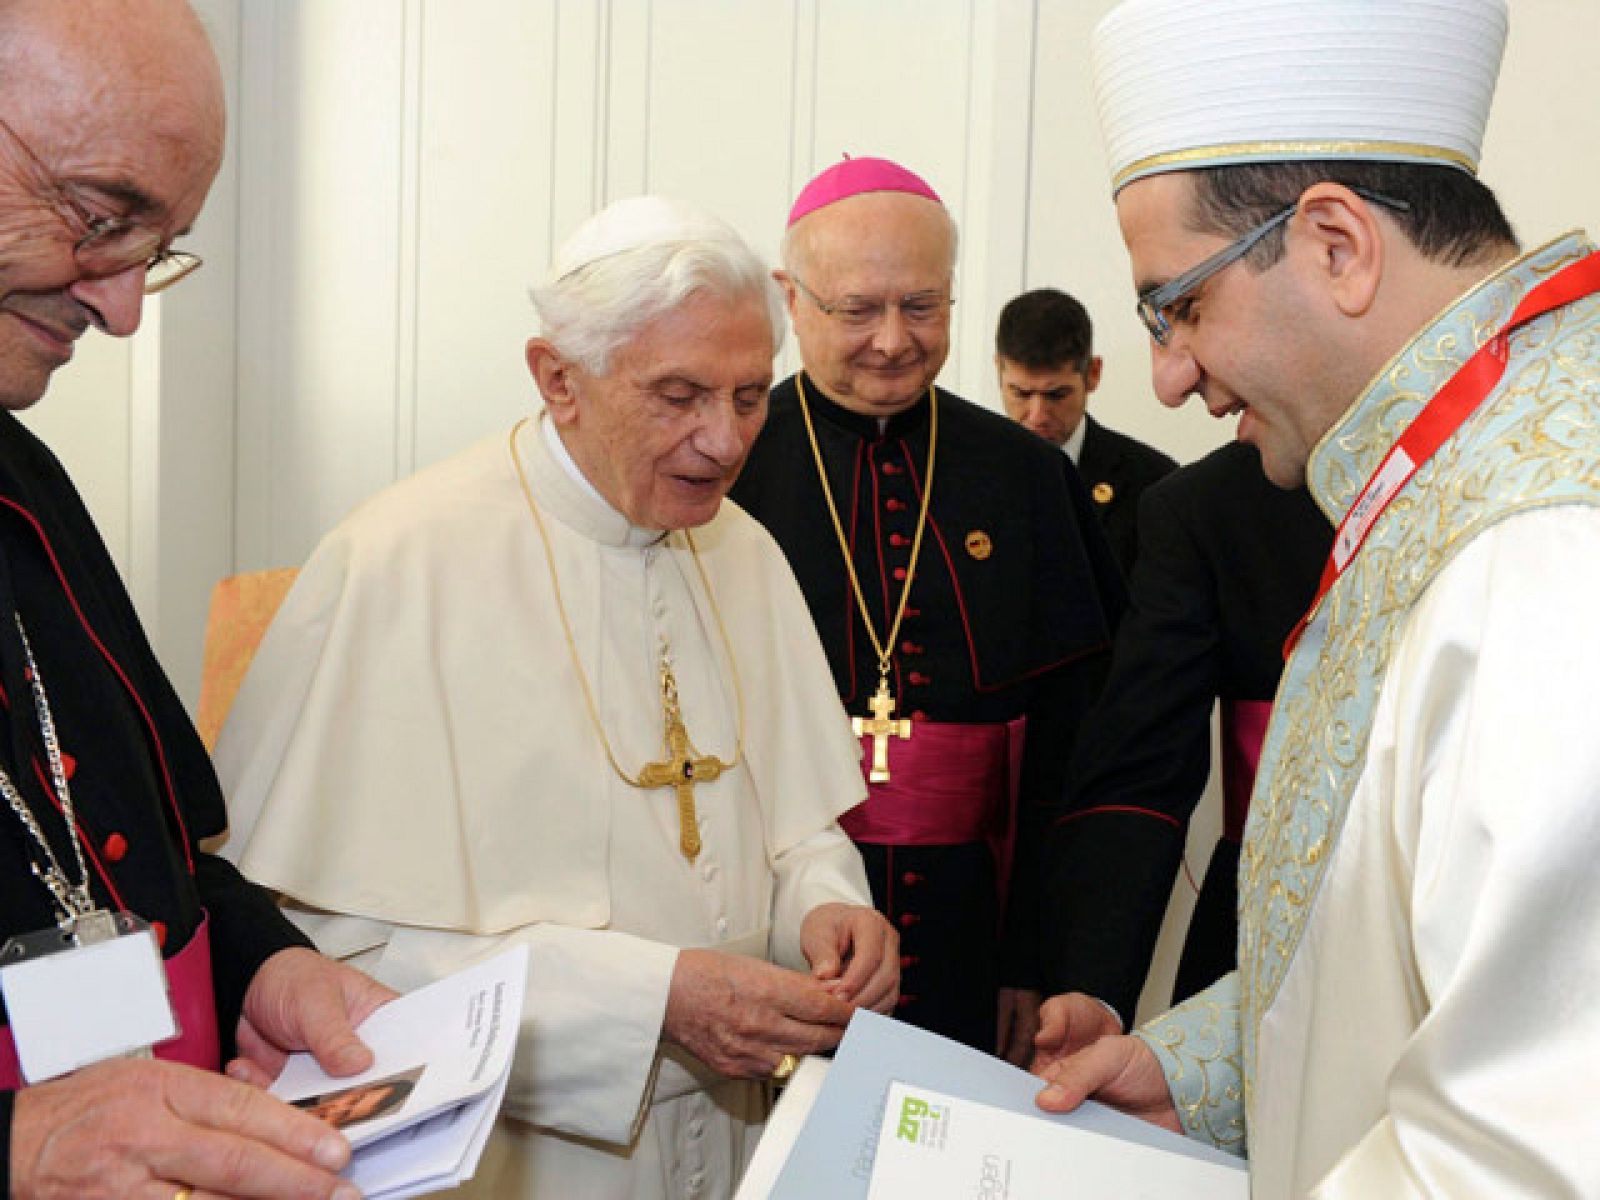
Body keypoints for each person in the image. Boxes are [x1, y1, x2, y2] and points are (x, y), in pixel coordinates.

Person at [216, 195, 899, 1198]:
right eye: (679, 395)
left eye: (751, 396)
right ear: (557, 380)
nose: (724, 441)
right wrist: (647, 1001)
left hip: (740, 1134)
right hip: (524, 1160)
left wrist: (826, 910)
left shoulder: (742, 551)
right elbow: (326, 952)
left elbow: (792, 829)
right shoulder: (398, 563)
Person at [1033, 0, 1600, 1194]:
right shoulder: (1453, 461)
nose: (1169, 373)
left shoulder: (1544, 547)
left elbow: (1531, 1150)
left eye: (1175, 304)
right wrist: (1201, 1070)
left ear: (1335, 245)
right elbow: (1415, 933)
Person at [0, 3, 395, 1198]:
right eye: (100, 216)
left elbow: (127, 859)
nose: (122, 312)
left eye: (154, 245)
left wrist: (263, 968)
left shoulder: (23, 477)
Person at [729, 158, 1125, 1063]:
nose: (892, 340)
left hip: (977, 928)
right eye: (857, 309)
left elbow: (1073, 747)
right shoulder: (730, 468)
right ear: (792, 301)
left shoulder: (1026, 478)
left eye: (922, 306)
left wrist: (1039, 957)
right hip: (767, 923)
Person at [1042, 442, 1330, 1025]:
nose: (1170, 384)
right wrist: (1094, 992)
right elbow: (1140, 762)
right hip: (1254, 922)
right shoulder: (1204, 505)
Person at [995, 288, 1175, 575]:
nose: (1037, 415)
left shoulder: (1152, 485)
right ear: (998, 371)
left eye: (1056, 395)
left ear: (1093, 373)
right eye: (1021, 393)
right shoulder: (961, 475)